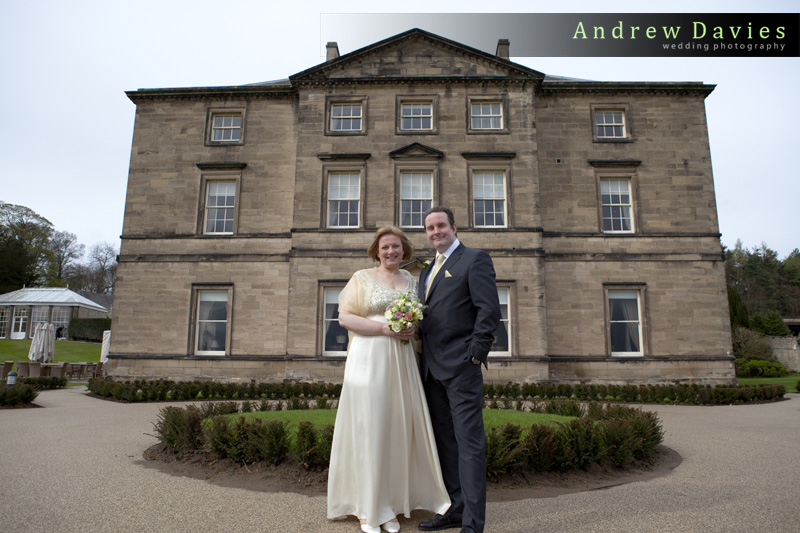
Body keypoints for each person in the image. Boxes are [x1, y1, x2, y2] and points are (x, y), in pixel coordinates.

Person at [328, 226, 451, 533]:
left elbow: (423, 320)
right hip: (368, 360)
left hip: (403, 361)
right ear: (376, 251)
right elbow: (345, 318)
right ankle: (367, 508)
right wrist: (386, 329)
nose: (391, 252)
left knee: (397, 428)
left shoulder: (413, 281)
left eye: (396, 246)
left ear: (404, 249)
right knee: (370, 427)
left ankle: (391, 504)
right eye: (385, 247)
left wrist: (412, 329)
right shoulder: (361, 278)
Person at [416, 207, 501, 533]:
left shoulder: (474, 259)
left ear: (454, 227)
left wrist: (475, 356)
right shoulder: (427, 270)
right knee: (446, 445)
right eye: (429, 228)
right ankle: (454, 509)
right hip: (432, 370)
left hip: (462, 367)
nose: (435, 231)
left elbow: (488, 311)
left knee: (469, 446)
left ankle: (472, 524)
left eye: (440, 226)